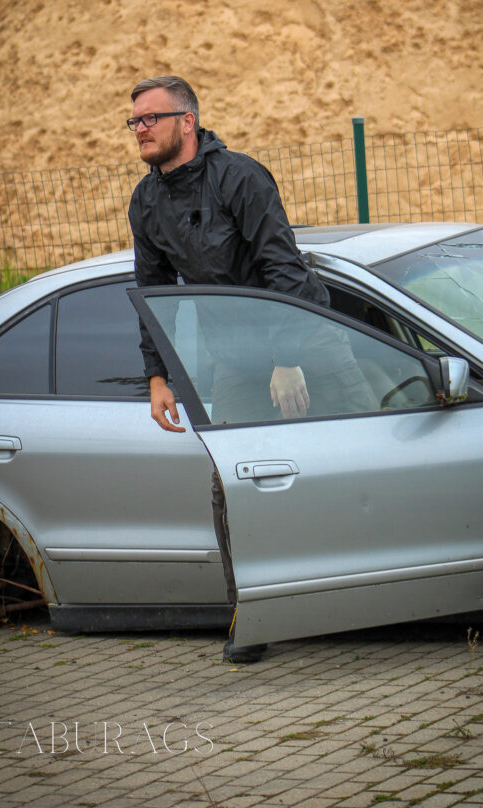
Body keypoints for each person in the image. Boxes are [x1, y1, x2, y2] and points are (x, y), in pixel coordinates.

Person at [127, 75, 364, 662]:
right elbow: (154, 294)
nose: (140, 129)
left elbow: (283, 268)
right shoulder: (146, 202)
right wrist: (158, 377)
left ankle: (375, 594)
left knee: (360, 456)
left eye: (151, 118)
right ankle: (253, 615)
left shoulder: (241, 177)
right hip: (233, 358)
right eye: (134, 121)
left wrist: (285, 359)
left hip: (307, 339)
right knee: (235, 483)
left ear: (187, 122)